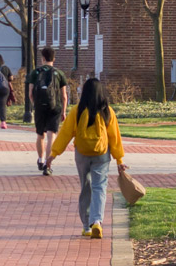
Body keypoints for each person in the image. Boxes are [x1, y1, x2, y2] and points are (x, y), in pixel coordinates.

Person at [48, 76, 128, 239]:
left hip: (82, 154)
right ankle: (97, 221)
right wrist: (119, 159)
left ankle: (86, 226)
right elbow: (114, 137)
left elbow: (65, 134)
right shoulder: (107, 111)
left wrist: (53, 154)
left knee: (86, 187)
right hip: (101, 154)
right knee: (99, 187)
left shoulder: (77, 110)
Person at [27, 46, 71, 175]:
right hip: (55, 107)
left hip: (40, 107)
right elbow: (64, 96)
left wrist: (36, 105)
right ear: (54, 59)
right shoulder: (59, 74)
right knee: (52, 136)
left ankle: (40, 160)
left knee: (40, 135)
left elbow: (30, 93)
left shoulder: (35, 73)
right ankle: (48, 164)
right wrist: (63, 111)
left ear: (43, 58)